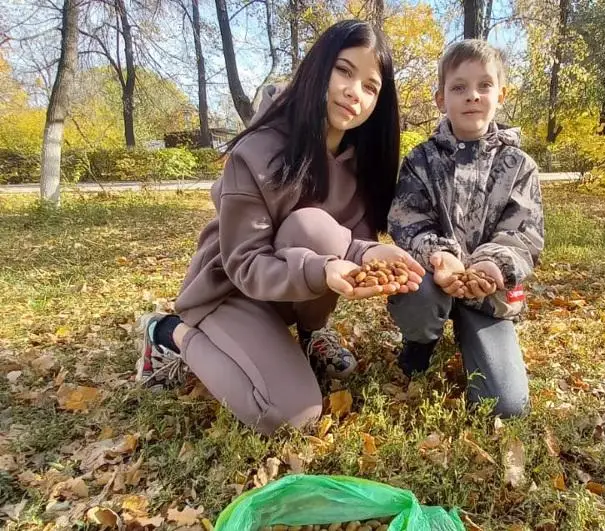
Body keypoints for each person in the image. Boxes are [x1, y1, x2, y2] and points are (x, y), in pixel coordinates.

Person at [132, 20, 424, 436]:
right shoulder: (258, 151)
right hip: (230, 289)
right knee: (292, 415)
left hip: (288, 287)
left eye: (370, 86)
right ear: (318, 68)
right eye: (344, 71)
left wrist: (367, 253)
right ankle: (169, 333)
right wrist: (324, 269)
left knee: (316, 229)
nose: (353, 92)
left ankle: (307, 336)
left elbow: (349, 242)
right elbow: (245, 262)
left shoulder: (363, 160)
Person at [387, 39, 544, 418]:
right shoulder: (420, 161)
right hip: (432, 282)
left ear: (501, 94)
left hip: (488, 294)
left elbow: (523, 233)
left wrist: (491, 266)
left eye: (484, 85)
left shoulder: (520, 166)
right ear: (441, 99)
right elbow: (406, 220)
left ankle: (474, 333)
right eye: (459, 87)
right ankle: (421, 340)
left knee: (506, 406)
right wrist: (439, 257)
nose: (472, 96)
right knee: (418, 290)